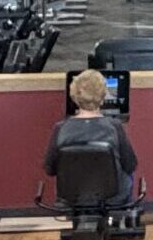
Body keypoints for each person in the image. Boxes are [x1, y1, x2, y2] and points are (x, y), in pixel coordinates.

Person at [45, 69, 136, 206]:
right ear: (103, 96)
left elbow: (50, 169)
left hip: (73, 199)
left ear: (74, 96)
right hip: (113, 198)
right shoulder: (115, 127)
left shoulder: (60, 129)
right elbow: (130, 165)